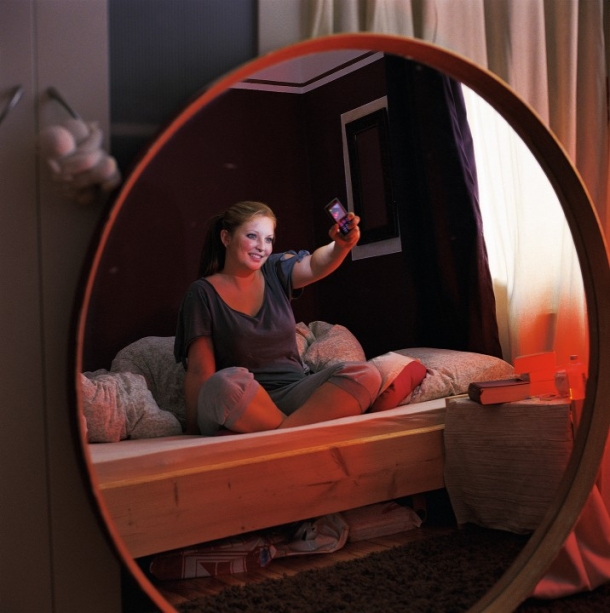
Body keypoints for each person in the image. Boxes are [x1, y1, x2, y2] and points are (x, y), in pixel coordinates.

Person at [174, 200, 382, 436]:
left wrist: (340, 247)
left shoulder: (274, 270)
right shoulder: (201, 293)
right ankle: (293, 431)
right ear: (226, 238)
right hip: (242, 398)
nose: (262, 247)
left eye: (269, 239)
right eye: (252, 236)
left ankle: (283, 434)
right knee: (224, 383)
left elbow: (314, 265)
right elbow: (200, 370)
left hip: (292, 392)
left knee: (365, 374)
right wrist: (192, 433)